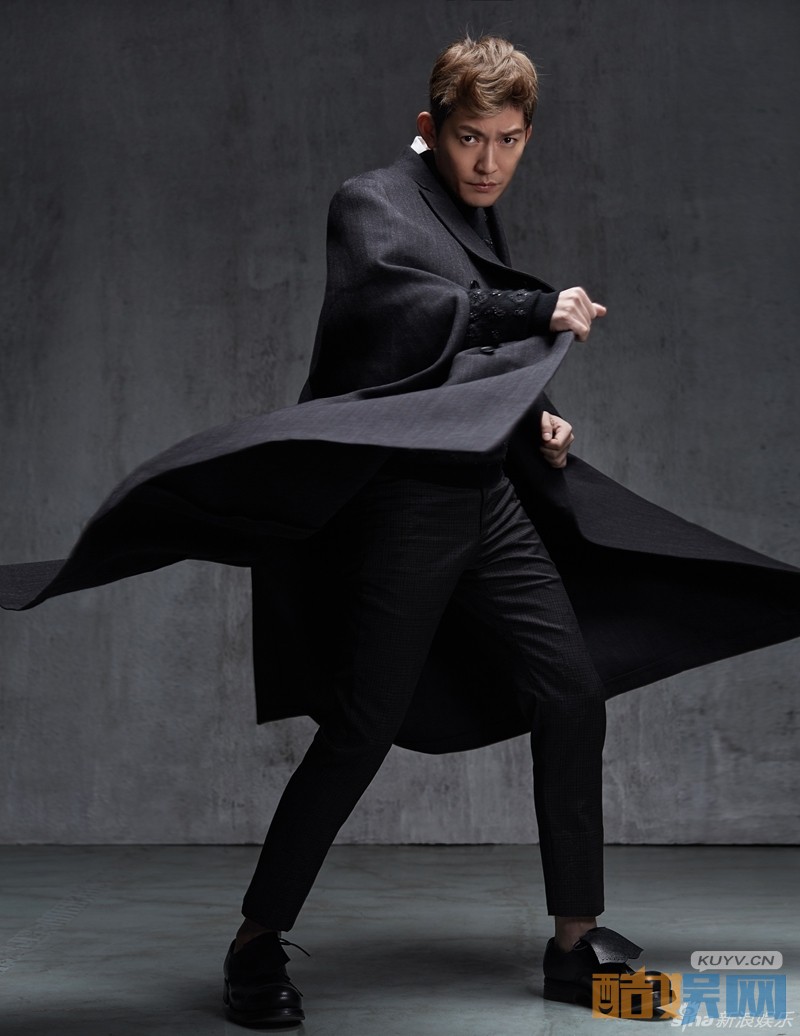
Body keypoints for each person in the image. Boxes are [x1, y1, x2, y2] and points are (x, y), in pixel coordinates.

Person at [2, 33, 799, 1029]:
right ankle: (254, 943)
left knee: (570, 690)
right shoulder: (370, 202)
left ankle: (572, 942)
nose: (487, 162)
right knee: (359, 730)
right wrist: (537, 307)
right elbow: (410, 320)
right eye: (469, 138)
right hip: (400, 511)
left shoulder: (472, 212)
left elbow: (457, 371)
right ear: (430, 127)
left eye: (508, 141)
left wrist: (533, 419)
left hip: (488, 499)